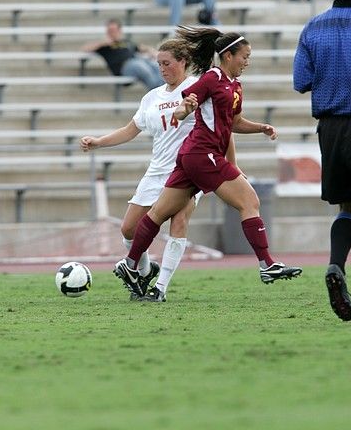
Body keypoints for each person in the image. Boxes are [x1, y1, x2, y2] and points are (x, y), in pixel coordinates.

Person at [114, 26, 303, 300]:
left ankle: (131, 265)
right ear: (228, 55)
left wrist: (260, 127)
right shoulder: (212, 77)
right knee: (249, 202)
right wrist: (184, 108)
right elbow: (184, 105)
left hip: (191, 157)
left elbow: (234, 123)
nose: (247, 61)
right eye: (244, 56)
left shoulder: (234, 85)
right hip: (204, 155)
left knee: (156, 214)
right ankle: (267, 265)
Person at [81, 38, 240, 301]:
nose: (162, 69)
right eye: (159, 64)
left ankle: (161, 288)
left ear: (183, 62)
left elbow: (224, 128)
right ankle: (144, 272)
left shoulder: (197, 88)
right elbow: (129, 130)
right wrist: (98, 142)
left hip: (190, 169)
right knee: (129, 229)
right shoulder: (151, 98)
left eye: (167, 64)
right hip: (157, 171)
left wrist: (230, 166)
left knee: (178, 221)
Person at [293, 0, 351, 322]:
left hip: (331, 129)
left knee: (347, 206)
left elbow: (301, 82)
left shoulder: (313, 28)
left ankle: (336, 266)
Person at [82, 19, 163, 91]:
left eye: (114, 30)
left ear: (119, 30)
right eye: (109, 31)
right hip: (124, 69)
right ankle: (157, 91)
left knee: (156, 64)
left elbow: (141, 48)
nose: (111, 33)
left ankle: (164, 88)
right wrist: (102, 43)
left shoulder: (126, 42)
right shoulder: (104, 46)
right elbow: (85, 49)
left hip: (137, 61)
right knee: (139, 65)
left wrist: (151, 51)